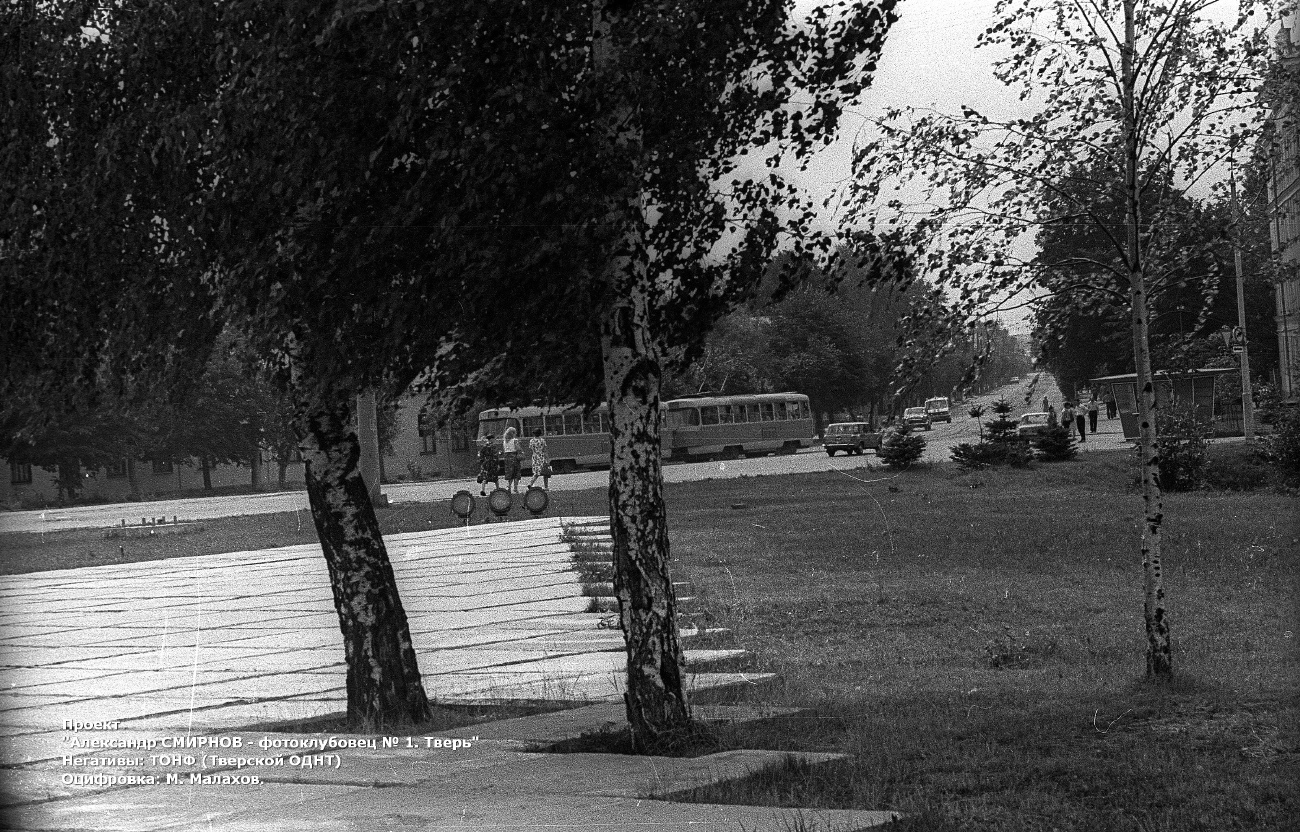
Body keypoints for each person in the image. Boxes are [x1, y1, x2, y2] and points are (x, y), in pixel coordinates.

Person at [501, 426, 522, 493]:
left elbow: (504, 450)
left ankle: (509, 487)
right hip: (514, 457)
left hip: (507, 458)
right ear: (512, 433)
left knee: (510, 473)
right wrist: (521, 452)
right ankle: (515, 488)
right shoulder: (515, 440)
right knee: (516, 473)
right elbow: (518, 448)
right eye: (515, 432)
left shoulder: (504, 441)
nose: (516, 434)